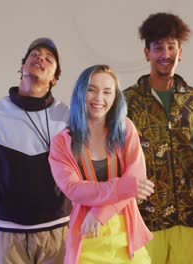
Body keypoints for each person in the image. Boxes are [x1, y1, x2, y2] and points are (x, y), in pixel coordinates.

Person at [0, 37, 72, 264]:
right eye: (34, 55)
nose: (40, 58)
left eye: (48, 59)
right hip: (9, 233)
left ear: (54, 78)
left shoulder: (68, 116)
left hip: (58, 230)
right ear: (22, 66)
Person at [123, 12, 193, 263]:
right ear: (147, 53)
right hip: (146, 217)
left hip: (189, 215)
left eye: (171, 47)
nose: (165, 54)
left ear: (180, 51)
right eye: (158, 47)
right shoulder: (128, 101)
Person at [49, 65, 155, 264]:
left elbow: (136, 176)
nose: (99, 98)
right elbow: (74, 189)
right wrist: (124, 186)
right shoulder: (61, 142)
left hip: (127, 238)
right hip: (87, 240)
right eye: (91, 89)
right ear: (80, 92)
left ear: (115, 98)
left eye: (107, 92)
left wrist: (99, 214)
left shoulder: (126, 129)